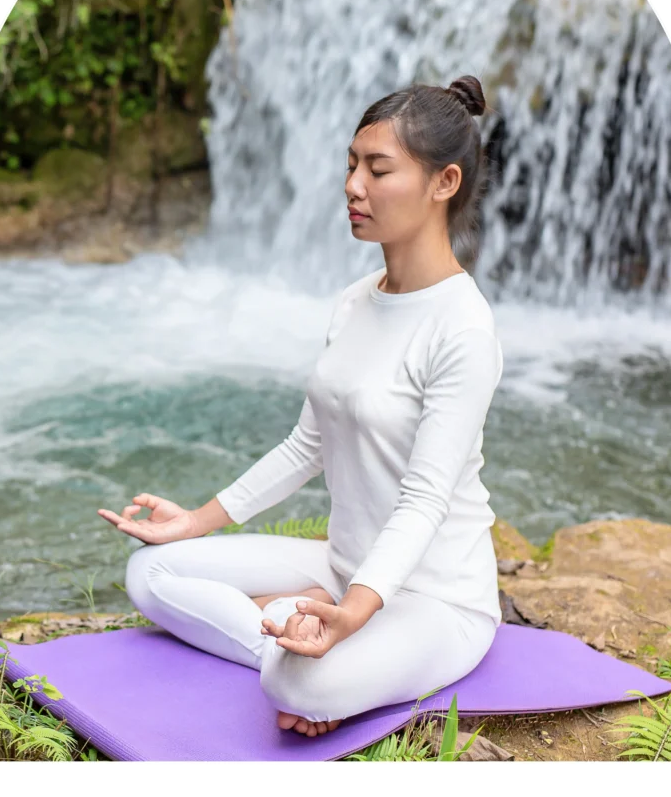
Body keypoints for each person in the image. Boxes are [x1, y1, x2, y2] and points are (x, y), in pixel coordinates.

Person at [98, 75, 504, 738]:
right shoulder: (354, 301)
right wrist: (194, 521)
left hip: (434, 598)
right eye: (350, 165)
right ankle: (298, 624)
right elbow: (305, 446)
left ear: (443, 183)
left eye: (378, 169)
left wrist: (357, 613)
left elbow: (425, 499)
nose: (352, 186)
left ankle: (306, 640)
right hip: (341, 565)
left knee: (295, 682)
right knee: (151, 571)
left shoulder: (462, 328)